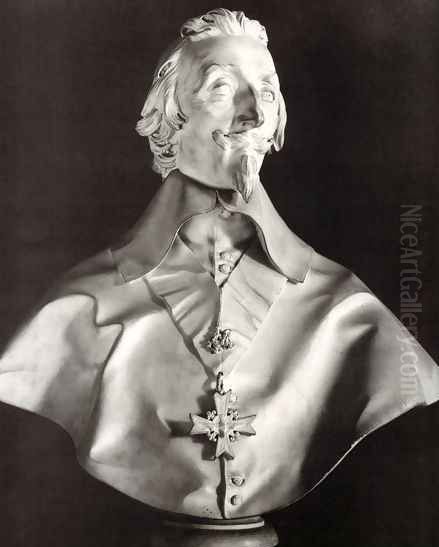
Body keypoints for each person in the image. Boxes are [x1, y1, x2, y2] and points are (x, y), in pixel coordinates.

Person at [0, 8, 437, 520]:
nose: (253, 117)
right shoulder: (78, 308)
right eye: (222, 89)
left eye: (267, 93)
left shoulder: (350, 310)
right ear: (169, 116)